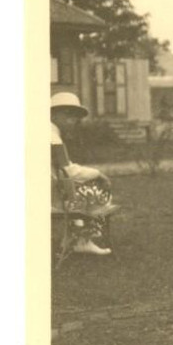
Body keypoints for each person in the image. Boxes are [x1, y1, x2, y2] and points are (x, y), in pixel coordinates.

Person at [50, 92, 114, 256]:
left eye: (75, 117)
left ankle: (78, 236)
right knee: (95, 191)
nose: (73, 122)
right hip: (45, 195)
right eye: (68, 116)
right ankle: (82, 239)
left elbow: (64, 167)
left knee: (78, 188)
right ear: (54, 114)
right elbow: (68, 170)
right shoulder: (52, 137)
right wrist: (98, 174)